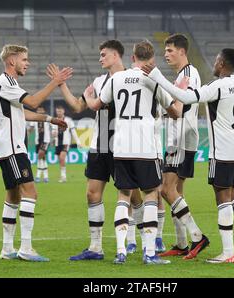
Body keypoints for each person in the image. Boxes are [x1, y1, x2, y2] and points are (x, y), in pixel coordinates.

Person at [142, 48, 234, 263]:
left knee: (222, 198)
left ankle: (228, 252)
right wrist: (233, 125)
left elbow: (184, 97)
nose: (214, 63)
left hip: (222, 152)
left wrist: (156, 76)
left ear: (221, 63)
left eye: (216, 59)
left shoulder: (216, 87)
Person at [84, 40, 181, 265]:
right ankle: (149, 253)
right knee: (150, 195)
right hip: (145, 147)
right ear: (152, 59)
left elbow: (97, 105)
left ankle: (121, 251)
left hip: (120, 147)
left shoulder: (116, 79)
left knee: (123, 195)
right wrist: (179, 94)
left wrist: (89, 98)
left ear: (133, 58)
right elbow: (175, 112)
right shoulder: (152, 79)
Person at [58, 40, 144, 261]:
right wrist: (62, 85)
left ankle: (146, 241)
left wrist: (90, 99)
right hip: (99, 146)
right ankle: (96, 247)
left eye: (104, 54)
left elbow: (93, 102)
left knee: (132, 196)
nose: (100, 58)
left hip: (123, 146)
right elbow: (78, 107)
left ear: (116, 56)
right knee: (92, 193)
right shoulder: (98, 81)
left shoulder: (131, 78)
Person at [0, 44, 71, 262]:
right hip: (13, 147)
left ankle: (7, 249)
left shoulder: (9, 84)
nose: (27, 63)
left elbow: (23, 112)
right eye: (24, 59)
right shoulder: (4, 82)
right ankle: (26, 247)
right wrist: (55, 82)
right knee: (31, 193)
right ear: (11, 61)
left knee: (13, 196)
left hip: (9, 147)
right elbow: (34, 102)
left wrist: (50, 119)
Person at [151, 33, 210, 260]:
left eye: (170, 50)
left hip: (181, 138)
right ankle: (182, 243)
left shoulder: (189, 74)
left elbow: (181, 106)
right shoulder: (183, 75)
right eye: (165, 51)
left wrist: (164, 101)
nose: (166, 54)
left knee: (166, 189)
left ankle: (197, 237)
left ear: (182, 52)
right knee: (176, 192)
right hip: (181, 136)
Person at [52, 105, 81, 183]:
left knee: (62, 158)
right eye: (57, 111)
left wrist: (78, 142)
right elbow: (53, 132)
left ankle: (63, 177)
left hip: (66, 143)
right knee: (60, 160)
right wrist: (53, 134)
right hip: (58, 143)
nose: (59, 112)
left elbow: (73, 131)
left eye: (60, 111)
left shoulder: (68, 120)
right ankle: (62, 175)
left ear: (63, 111)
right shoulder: (54, 120)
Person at [28, 106, 51, 183]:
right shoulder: (34, 119)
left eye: (41, 110)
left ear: (44, 111)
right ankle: (46, 176)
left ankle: (38, 175)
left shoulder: (47, 118)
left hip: (46, 140)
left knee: (40, 155)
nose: (40, 112)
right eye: (38, 110)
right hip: (37, 141)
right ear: (37, 111)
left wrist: (54, 134)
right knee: (43, 158)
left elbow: (53, 126)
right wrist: (27, 133)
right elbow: (30, 129)